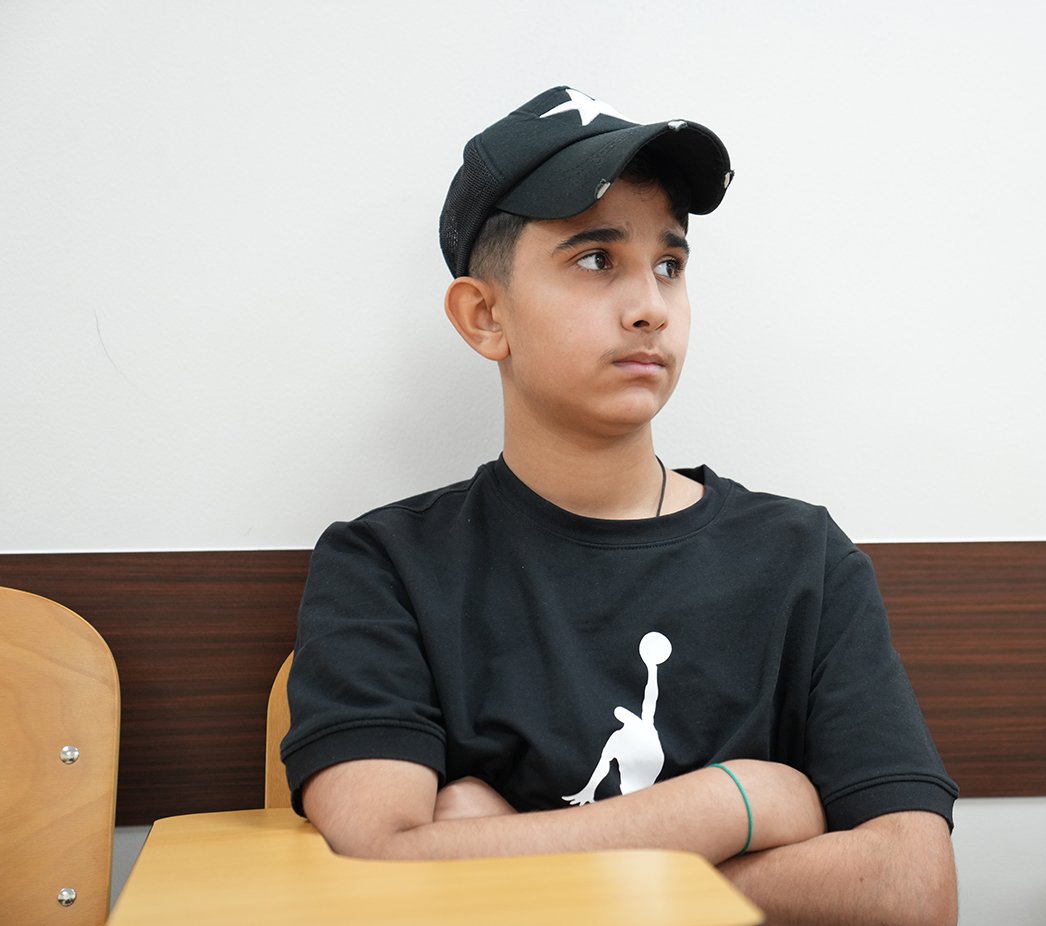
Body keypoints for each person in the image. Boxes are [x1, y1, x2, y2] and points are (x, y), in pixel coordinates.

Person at [282, 85, 959, 925]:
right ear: (485, 315)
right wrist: (734, 804)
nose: (649, 308)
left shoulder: (802, 557)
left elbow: (909, 890)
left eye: (669, 266)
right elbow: (377, 862)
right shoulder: (385, 566)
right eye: (596, 260)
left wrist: (502, 851)